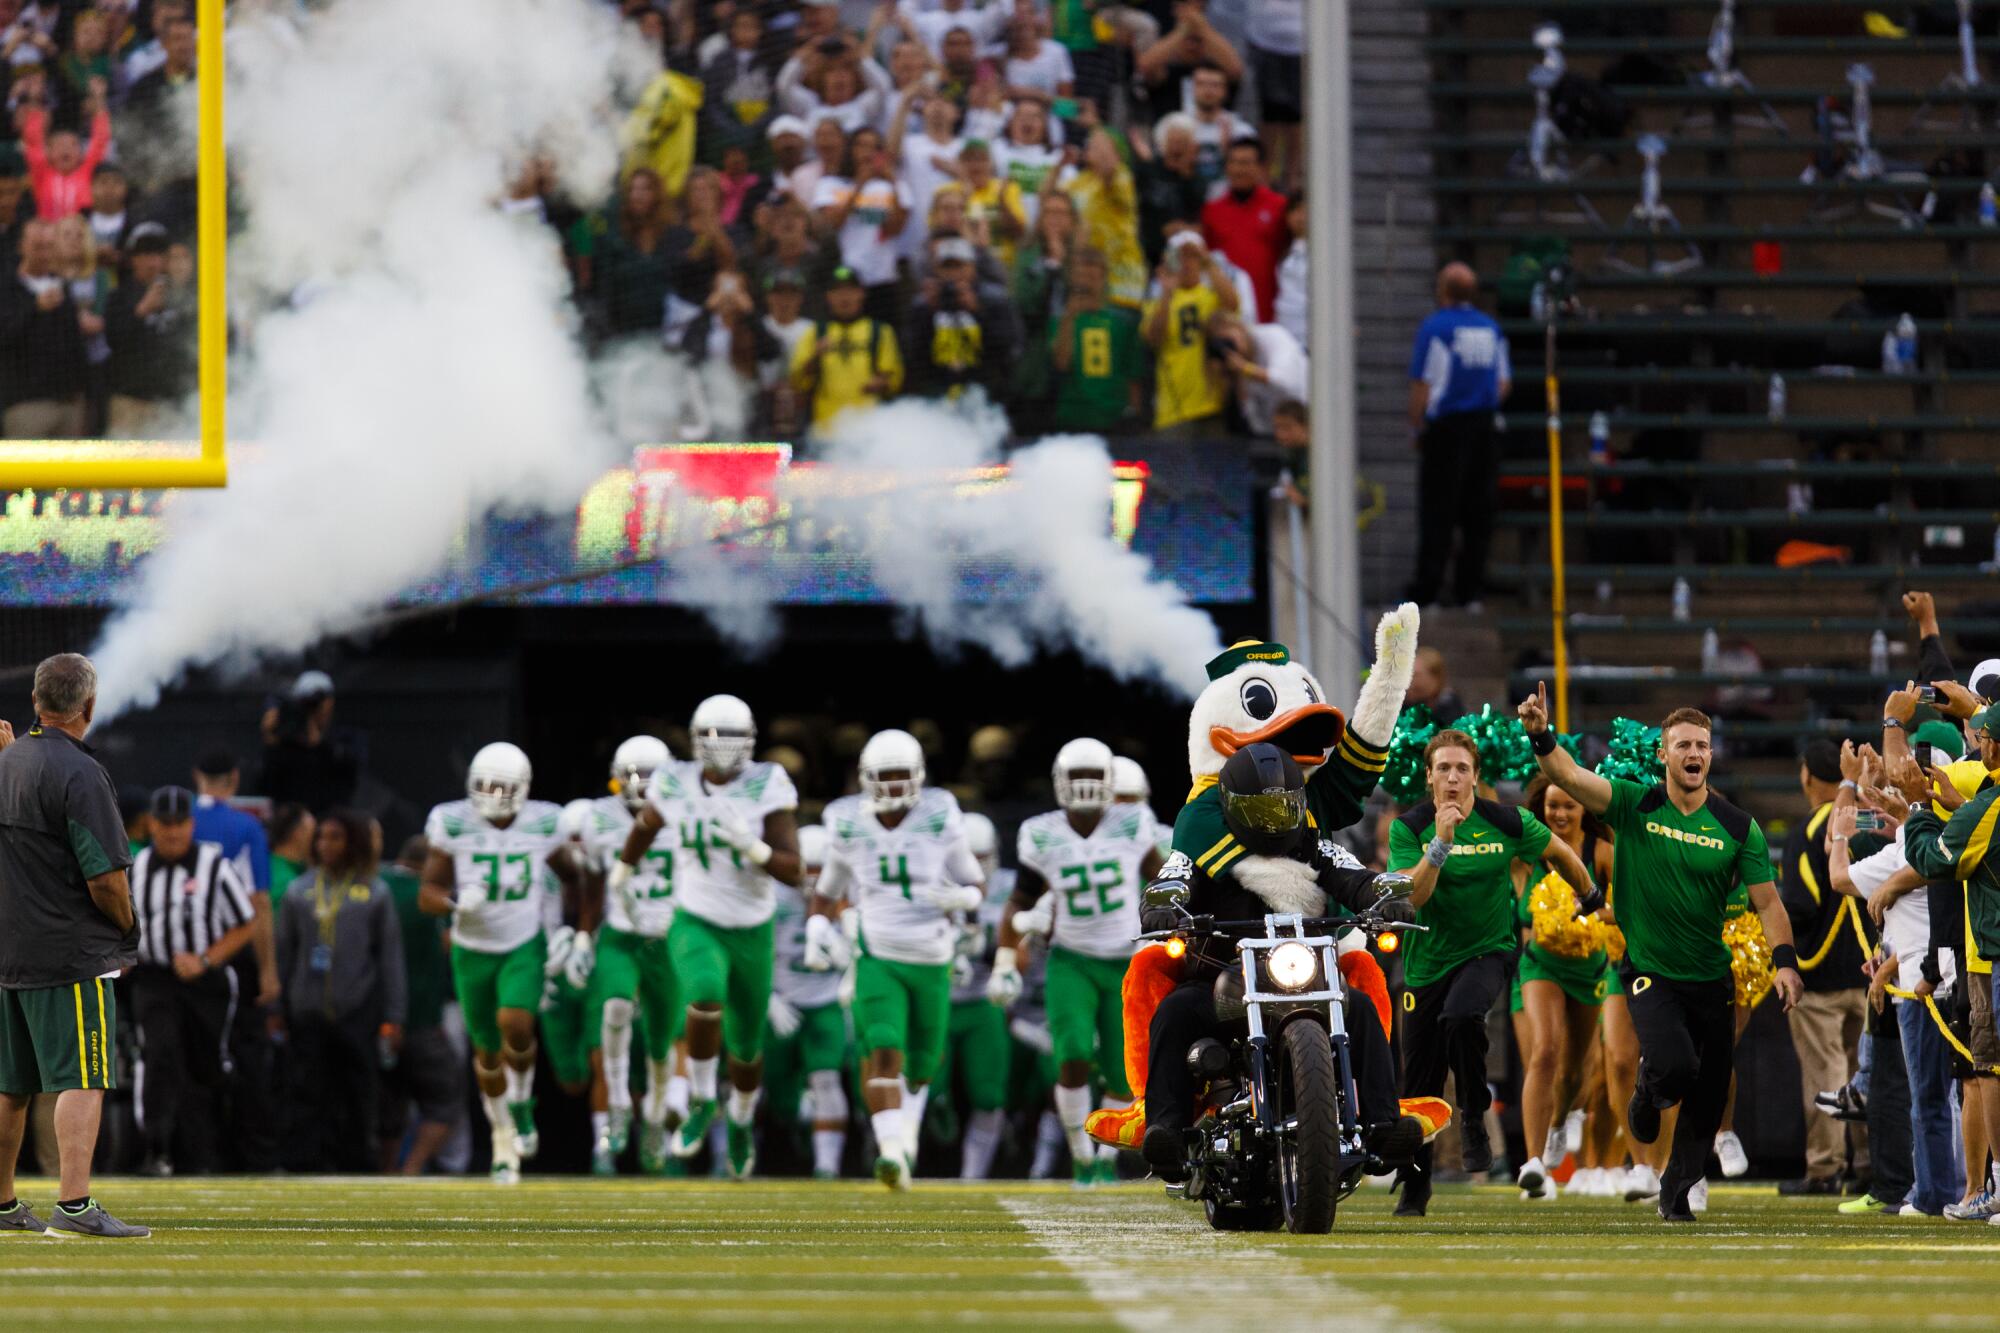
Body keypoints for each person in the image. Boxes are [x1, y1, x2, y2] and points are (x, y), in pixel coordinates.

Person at [1520, 687, 1804, 1221]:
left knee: (1709, 1092)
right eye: (1683, 745)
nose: (1694, 754)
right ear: (1663, 755)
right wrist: (1540, 732)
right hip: (1650, 970)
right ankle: (1647, 1097)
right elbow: (1568, 776)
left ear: (1710, 756)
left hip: (1711, 976)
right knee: (1673, 1068)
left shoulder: (1739, 827)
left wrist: (1785, 961)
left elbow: (1768, 903)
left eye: (1702, 745)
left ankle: (1676, 1193)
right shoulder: (1633, 803)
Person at [1136, 743, 1422, 1182]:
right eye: (1261, 810)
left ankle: (1383, 1125)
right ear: (1231, 805)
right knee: (1174, 1011)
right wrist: (1161, 905)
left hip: (1304, 976)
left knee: (1360, 1009)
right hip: (1221, 979)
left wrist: (1387, 895)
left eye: (1284, 807)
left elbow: (1358, 876)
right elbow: (1171, 878)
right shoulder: (1200, 847)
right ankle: (1167, 1131)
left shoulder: (1314, 846)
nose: (1275, 820)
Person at [1386, 730, 1595, 1213]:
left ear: (1477, 777)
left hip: (1489, 950)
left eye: (1463, 769)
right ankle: (1416, 1187)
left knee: (1462, 1017)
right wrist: (1441, 842)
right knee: (1418, 1084)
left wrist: (1590, 894)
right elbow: (1412, 897)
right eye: (1444, 769)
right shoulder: (1409, 829)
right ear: (1429, 777)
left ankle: (1475, 1114)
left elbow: (1560, 853)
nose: (1454, 778)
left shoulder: (1506, 820)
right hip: (1426, 964)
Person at [616, 695, 804, 1179]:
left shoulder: (769, 783)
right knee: (703, 993)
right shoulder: (674, 779)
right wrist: (622, 869)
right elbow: (645, 825)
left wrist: (753, 846)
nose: (723, 748)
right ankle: (702, 1098)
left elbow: (793, 870)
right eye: (714, 737)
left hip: (751, 927)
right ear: (696, 740)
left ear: (753, 741)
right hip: (695, 915)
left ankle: (740, 1121)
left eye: (734, 737)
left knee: (745, 1049)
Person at [0, 652, 146, 1238]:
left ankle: (4, 1203)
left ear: (36, 700)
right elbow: (105, 878)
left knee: (11, 1083)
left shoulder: (8, 761)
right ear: (87, 706)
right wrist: (127, 928)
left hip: (8, 949)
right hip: (68, 950)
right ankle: (75, 1204)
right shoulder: (80, 772)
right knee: (83, 1075)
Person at [808, 728, 984, 1191]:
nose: (890, 787)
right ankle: (890, 1153)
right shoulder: (847, 822)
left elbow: (976, 882)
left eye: (899, 776)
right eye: (882, 777)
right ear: (866, 778)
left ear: (918, 777)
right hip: (878, 953)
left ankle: (904, 1140)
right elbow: (826, 890)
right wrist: (817, 926)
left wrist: (963, 897)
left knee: (923, 1064)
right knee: (885, 1047)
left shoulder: (940, 815)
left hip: (931, 956)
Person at [992, 738, 1164, 1185]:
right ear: (1059, 783)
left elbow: (1164, 881)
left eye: (1094, 776)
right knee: (1069, 1056)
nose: (1086, 787)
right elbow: (1018, 901)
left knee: (1119, 1070)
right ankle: (1080, 1155)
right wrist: (1006, 959)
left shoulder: (1133, 824)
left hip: (1124, 959)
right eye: (1077, 777)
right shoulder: (1043, 833)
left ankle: (1105, 1158)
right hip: (1070, 958)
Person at [419, 742, 573, 1185]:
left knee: (516, 1024)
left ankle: (522, 1105)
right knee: (486, 1051)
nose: (493, 794)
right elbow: (427, 891)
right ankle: (502, 1136)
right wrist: (454, 901)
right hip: (472, 947)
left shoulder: (544, 822)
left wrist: (573, 929)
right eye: (484, 785)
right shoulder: (453, 821)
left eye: (502, 786)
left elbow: (574, 875)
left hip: (522, 942)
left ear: (522, 789)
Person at [1890, 702, 2000, 1223]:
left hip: (1991, 954)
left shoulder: (1990, 805)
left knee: (1991, 1068)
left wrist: (1919, 809)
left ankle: (1993, 1185)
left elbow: (1935, 858)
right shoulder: (1984, 804)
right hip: (1981, 954)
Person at [128, 785, 257, 1178]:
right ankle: (157, 1149)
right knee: (160, 1055)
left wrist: (204, 960)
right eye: (164, 824)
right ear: (151, 824)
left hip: (204, 982)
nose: (171, 832)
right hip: (154, 978)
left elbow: (246, 922)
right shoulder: (135, 868)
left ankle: (210, 1152)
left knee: (207, 1065)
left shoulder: (215, 866)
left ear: (191, 824)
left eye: (178, 824)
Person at [274, 808, 406, 1173]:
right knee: (305, 1088)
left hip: (357, 1008)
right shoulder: (298, 891)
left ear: (353, 842)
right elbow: (284, 952)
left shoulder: (375, 892)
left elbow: (390, 958)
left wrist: (394, 1016)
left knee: (358, 1090)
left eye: (335, 837)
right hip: (307, 1008)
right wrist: (277, 1006)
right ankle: (302, 1160)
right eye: (321, 837)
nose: (325, 844)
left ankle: (358, 1159)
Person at [578, 736, 685, 1174]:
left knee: (661, 1046)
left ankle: (656, 1120)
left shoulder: (685, 811)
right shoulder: (597, 819)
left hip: (669, 936)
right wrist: (585, 934)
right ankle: (619, 1102)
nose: (640, 783)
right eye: (633, 774)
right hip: (621, 934)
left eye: (650, 774)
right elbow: (590, 883)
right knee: (616, 1006)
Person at [1778, 737, 1873, 1195]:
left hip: (1818, 978)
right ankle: (1873, 1164)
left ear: (1806, 776)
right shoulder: (1867, 820)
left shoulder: (1809, 832)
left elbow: (1800, 904)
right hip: (1870, 970)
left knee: (1827, 1074)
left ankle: (1825, 1167)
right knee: (1869, 1071)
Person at [1516, 775, 1617, 1198]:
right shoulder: (1526, 852)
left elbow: (1624, 905)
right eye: (1551, 806)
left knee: (1577, 1071)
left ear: (1584, 812)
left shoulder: (1603, 852)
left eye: (1568, 807)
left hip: (1590, 969)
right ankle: (1534, 1164)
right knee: (1545, 1051)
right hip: (1539, 966)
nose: (1558, 814)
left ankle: (1559, 1122)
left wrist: (1592, 913)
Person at [1405, 262, 1512, 612]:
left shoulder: (1436, 328)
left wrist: (1417, 425)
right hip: (1485, 428)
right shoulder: (1491, 329)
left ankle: (1430, 590)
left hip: (1447, 428)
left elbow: (1423, 382)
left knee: (1438, 511)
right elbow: (1503, 383)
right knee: (1478, 513)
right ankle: (1470, 593)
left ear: (1444, 291)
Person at [766, 823, 851, 1179]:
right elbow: (754, 953)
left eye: (821, 872)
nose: (814, 881)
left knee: (827, 1080)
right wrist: (768, 996)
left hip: (827, 1002)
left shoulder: (848, 897)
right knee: (768, 1087)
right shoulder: (771, 896)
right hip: (782, 1001)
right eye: (808, 870)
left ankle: (826, 1167)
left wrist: (846, 955)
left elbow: (867, 954)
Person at [377, 835, 460, 1176]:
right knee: (445, 1099)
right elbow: (450, 947)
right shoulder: (425, 898)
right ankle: (410, 1169)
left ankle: (387, 1170)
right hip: (419, 1019)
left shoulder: (376, 885)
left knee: (388, 1103)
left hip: (371, 1018)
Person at [940, 812, 1013, 1180]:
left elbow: (1022, 947)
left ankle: (973, 1177)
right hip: (938, 998)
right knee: (925, 1089)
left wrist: (988, 952)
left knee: (988, 1095)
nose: (976, 866)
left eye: (982, 856)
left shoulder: (1009, 887)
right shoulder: (930, 879)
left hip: (984, 998)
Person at [102, 222, 195, 437]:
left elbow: (189, 344)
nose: (153, 262)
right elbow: (112, 340)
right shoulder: (119, 296)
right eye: (144, 254)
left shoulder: (181, 295)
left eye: (158, 255)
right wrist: (142, 310)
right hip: (130, 401)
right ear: (133, 259)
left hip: (172, 403)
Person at [810, 125, 910, 324]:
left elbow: (896, 229)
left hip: (884, 276)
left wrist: (892, 184)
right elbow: (833, 225)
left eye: (873, 147)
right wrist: (859, 186)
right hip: (847, 276)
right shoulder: (830, 184)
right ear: (850, 150)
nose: (867, 152)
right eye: (861, 146)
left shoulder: (895, 187)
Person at [1142, 230, 1237, 433]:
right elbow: (1154, 338)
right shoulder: (1157, 303)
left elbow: (1232, 305)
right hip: (1173, 410)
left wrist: (1209, 263)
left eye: (1192, 256)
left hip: (1211, 406)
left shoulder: (1210, 296)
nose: (1186, 262)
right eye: (1180, 256)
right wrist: (1167, 292)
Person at [788, 265, 904, 431]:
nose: (844, 297)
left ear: (861, 293)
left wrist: (881, 383)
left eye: (850, 290)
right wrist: (816, 356)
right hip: (826, 428)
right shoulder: (815, 332)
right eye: (838, 291)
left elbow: (895, 377)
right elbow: (797, 381)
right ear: (828, 296)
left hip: (870, 428)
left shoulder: (880, 331)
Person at [1, 218, 88, 438]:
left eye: (49, 247)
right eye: (38, 247)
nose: (45, 254)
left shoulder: (62, 286)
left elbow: (75, 343)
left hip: (69, 402)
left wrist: (82, 392)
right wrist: (35, 308)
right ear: (21, 246)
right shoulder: (6, 289)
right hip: (26, 405)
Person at [905, 234, 1018, 401]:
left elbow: (1009, 350)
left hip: (985, 394)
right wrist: (929, 313)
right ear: (936, 270)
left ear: (972, 267)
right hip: (937, 395)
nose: (954, 273)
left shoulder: (995, 299)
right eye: (947, 267)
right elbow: (911, 356)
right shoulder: (923, 303)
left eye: (959, 266)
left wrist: (978, 312)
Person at [1048, 246, 1143, 433]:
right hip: (1073, 416)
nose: (1087, 284)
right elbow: (1061, 364)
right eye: (1081, 277)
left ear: (1103, 278)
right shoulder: (1060, 320)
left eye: (1092, 277)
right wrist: (1069, 317)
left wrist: (1134, 412)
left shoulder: (1121, 321)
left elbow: (1133, 372)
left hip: (1113, 416)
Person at [1202, 139, 1288, 324]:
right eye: (1233, 162)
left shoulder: (1278, 206)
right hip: (1228, 317)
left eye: (1246, 163)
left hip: (1269, 312)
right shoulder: (1212, 211)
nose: (1239, 169)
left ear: (1261, 168)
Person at [260, 670, 360, 815]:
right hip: (289, 820)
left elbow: (349, 778)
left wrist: (319, 745)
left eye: (315, 703)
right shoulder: (284, 745)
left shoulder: (345, 739)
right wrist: (270, 740)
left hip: (325, 818)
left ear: (329, 702)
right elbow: (266, 786)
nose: (309, 711)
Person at [265, 803, 315, 906]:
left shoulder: (263, 865)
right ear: (298, 833)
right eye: (314, 833)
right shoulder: (287, 883)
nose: (319, 843)